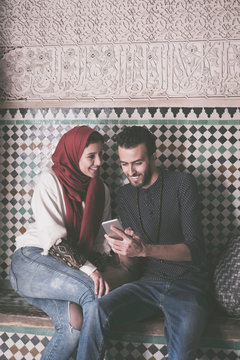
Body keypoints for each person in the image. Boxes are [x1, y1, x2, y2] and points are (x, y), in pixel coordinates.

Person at [75, 125, 210, 360]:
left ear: (153, 157)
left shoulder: (182, 184)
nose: (131, 171)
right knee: (96, 309)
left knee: (182, 354)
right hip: (146, 285)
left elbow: (194, 250)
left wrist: (144, 249)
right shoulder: (125, 194)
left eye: (137, 162)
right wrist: (124, 248)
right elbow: (133, 265)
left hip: (187, 286)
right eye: (124, 164)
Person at [9, 125, 133, 360]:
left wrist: (118, 254)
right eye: (91, 156)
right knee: (92, 290)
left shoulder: (101, 190)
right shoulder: (50, 181)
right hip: (32, 262)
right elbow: (55, 243)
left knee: (73, 325)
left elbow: (97, 243)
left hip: (65, 271)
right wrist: (92, 272)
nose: (99, 162)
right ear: (74, 155)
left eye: (101, 155)